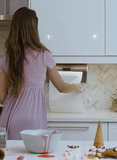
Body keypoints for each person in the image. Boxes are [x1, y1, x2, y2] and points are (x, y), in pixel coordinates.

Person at [0, 7, 82, 140]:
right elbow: (62, 87)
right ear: (34, 29)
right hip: (33, 121)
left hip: (8, 120)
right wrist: (76, 86)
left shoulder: (7, 58)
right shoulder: (44, 56)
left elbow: (2, 97)